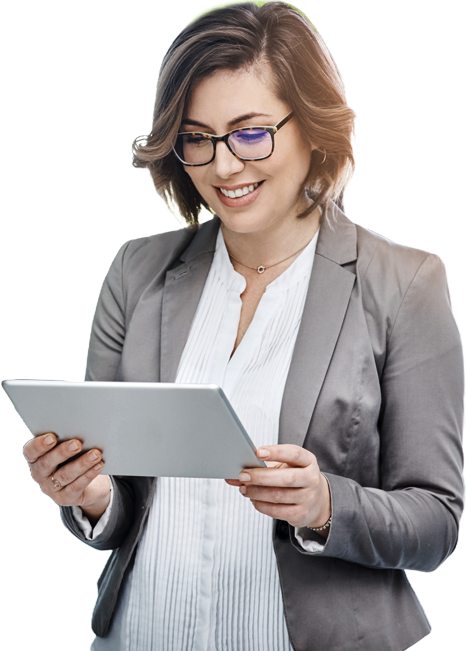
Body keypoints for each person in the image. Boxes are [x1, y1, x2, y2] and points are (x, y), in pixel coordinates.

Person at [23, 2, 465, 650]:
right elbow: (120, 507)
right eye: (197, 137)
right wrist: (89, 493)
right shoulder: (136, 274)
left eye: (251, 132)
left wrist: (323, 504)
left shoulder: (405, 286)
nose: (223, 166)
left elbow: (437, 519)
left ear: (312, 129)